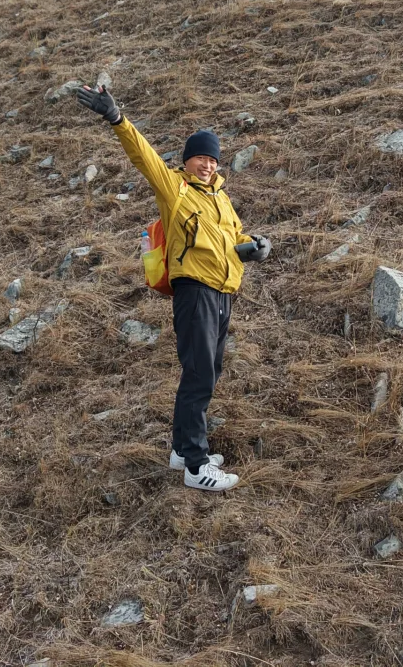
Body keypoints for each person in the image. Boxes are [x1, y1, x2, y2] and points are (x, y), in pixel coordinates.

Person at [74, 83, 270, 492]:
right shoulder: (174, 189)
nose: (207, 165)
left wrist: (253, 247)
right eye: (201, 158)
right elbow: (143, 157)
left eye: (213, 160)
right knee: (199, 374)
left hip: (223, 292)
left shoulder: (221, 198)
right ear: (187, 160)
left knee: (209, 370)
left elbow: (233, 236)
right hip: (195, 291)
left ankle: (182, 449)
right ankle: (196, 467)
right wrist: (117, 119)